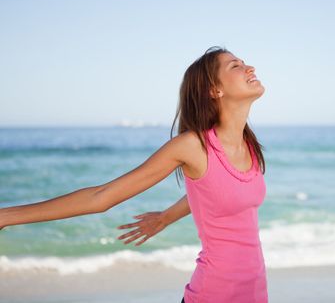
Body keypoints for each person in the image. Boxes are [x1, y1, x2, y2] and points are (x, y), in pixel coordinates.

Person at [0, 46, 268, 303]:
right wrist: (7, 216)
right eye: (236, 65)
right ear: (214, 89)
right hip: (214, 294)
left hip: (255, 292)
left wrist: (165, 217)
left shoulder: (249, 144)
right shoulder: (192, 146)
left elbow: (215, 192)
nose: (249, 67)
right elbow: (101, 196)